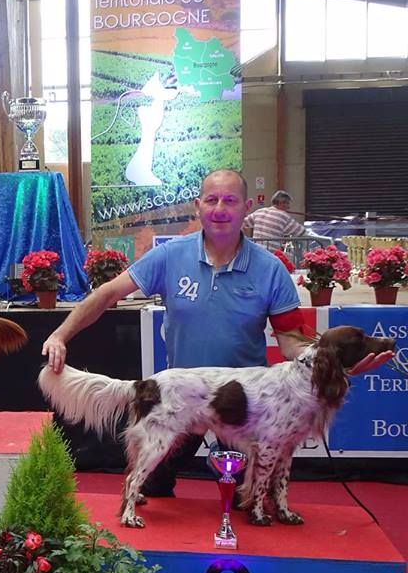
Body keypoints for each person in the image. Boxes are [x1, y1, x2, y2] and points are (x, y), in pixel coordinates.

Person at [42, 169, 393, 495]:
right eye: (211, 200)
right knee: (152, 486)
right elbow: (106, 294)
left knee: (251, 492)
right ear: (199, 206)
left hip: (244, 406)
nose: (220, 209)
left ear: (248, 208)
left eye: (230, 200)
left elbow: (290, 341)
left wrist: (337, 366)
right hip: (185, 397)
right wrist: (60, 335)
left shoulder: (271, 270)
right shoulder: (169, 256)